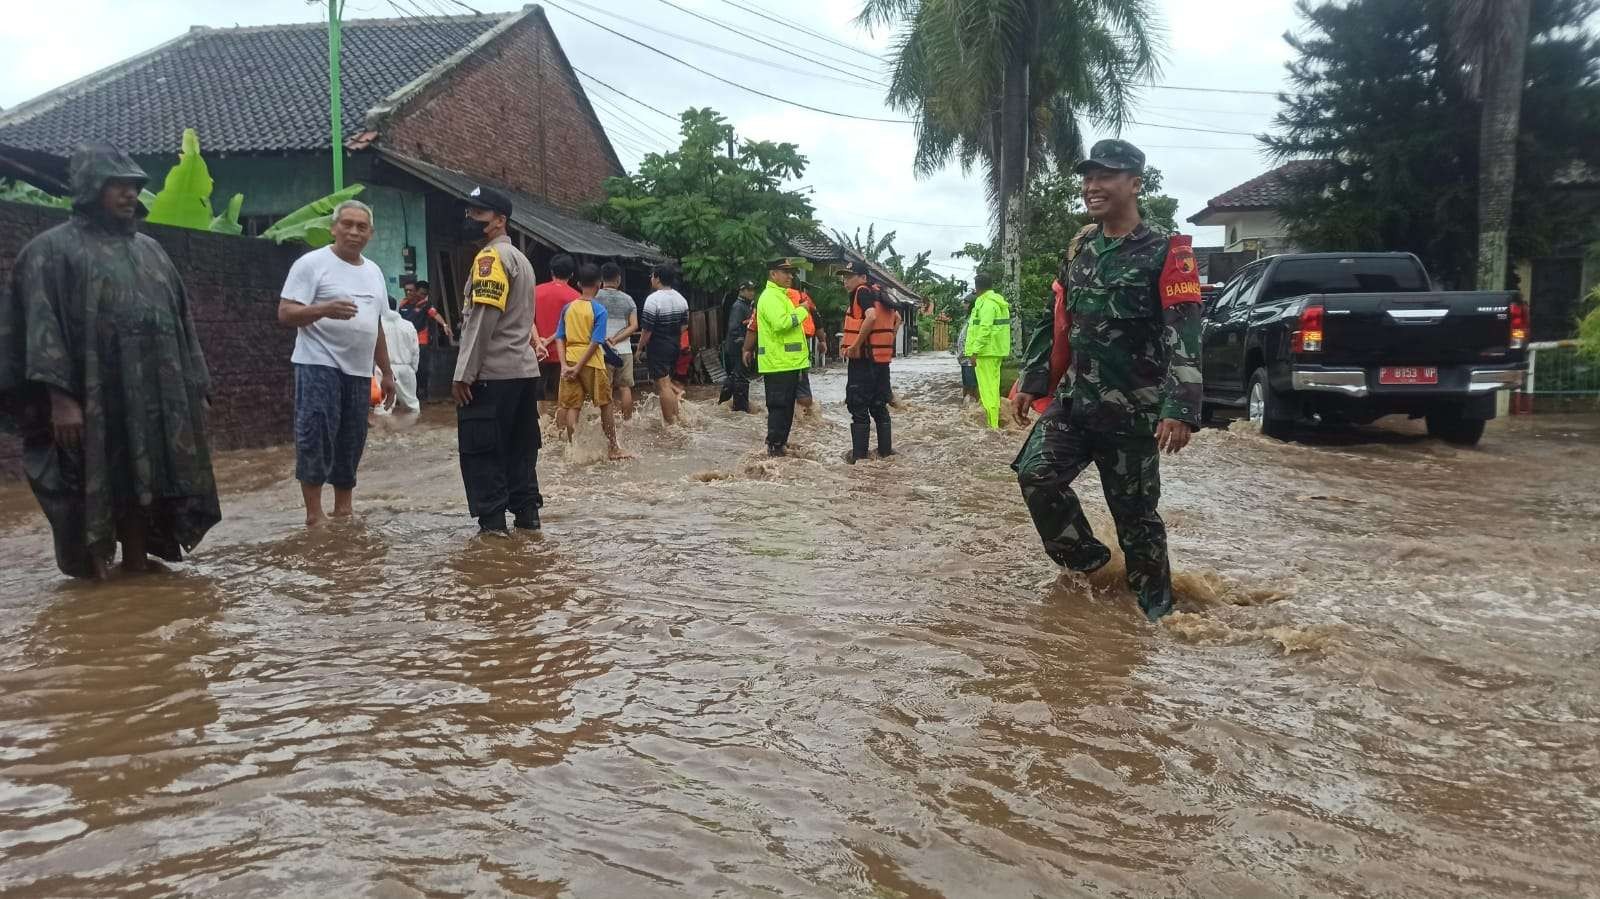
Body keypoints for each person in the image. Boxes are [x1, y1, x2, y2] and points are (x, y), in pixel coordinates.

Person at [0, 142, 222, 578]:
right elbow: (41, 326)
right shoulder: (50, 251)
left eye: (134, 186)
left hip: (155, 394)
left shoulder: (152, 251)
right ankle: (95, 570)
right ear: (88, 187)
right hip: (90, 394)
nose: (128, 195)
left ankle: (137, 565)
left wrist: (196, 383)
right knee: (90, 478)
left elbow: (182, 322)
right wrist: (61, 399)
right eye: (116, 185)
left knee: (145, 476)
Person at [1010, 139, 1204, 621]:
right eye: (1088, 177)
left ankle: (1157, 614)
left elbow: (1186, 332)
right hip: (1075, 401)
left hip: (1134, 410)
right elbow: (1055, 317)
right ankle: (1091, 563)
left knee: (1136, 520)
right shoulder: (1081, 246)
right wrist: (1034, 379)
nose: (1092, 186)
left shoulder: (1167, 252)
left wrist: (1180, 409)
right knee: (1036, 474)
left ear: (1134, 184)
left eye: (1105, 177)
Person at [278, 200, 397, 528]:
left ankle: (344, 509)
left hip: (359, 371)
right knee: (315, 433)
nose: (354, 232)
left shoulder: (373, 272)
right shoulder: (311, 264)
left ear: (370, 234)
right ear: (333, 228)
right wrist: (324, 309)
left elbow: (376, 326)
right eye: (347, 224)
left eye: (361, 227)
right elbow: (286, 313)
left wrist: (386, 372)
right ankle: (314, 515)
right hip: (318, 364)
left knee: (352, 438)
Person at [451, 186, 545, 535]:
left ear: (499, 220)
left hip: (491, 376)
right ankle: (528, 524)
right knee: (521, 451)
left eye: (478, 214)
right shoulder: (521, 259)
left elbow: (482, 317)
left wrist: (464, 373)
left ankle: (493, 535)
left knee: (483, 454)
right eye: (469, 213)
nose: (469, 220)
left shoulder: (490, 260)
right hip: (522, 374)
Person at [554, 263, 628, 459]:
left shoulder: (567, 308)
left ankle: (572, 450)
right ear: (599, 283)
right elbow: (596, 341)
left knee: (572, 406)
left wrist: (564, 365)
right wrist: (579, 366)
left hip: (569, 359)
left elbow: (559, 337)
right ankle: (613, 448)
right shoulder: (599, 310)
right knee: (605, 404)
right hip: (592, 362)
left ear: (578, 283)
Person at [743, 259, 810, 456]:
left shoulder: (781, 296)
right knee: (780, 408)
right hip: (777, 363)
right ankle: (774, 448)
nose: (790, 276)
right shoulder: (771, 297)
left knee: (786, 409)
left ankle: (779, 447)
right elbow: (782, 324)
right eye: (785, 272)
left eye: (791, 273)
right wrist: (803, 310)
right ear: (773, 274)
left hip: (787, 363)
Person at [839, 260, 899, 462]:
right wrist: (886, 342)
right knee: (879, 406)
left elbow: (871, 317)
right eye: (844, 277)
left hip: (864, 361)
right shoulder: (879, 294)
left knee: (858, 407)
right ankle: (885, 453)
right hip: (881, 361)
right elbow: (898, 318)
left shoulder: (862, 292)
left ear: (863, 278)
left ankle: (860, 459)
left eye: (849, 276)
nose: (845, 281)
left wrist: (855, 345)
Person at [637, 262, 690, 425]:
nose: (651, 279)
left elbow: (647, 330)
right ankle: (676, 418)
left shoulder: (653, 300)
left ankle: (671, 424)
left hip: (658, 345)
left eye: (652, 276)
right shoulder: (681, 299)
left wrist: (639, 349)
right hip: (674, 344)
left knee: (663, 386)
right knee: (666, 382)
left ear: (657, 278)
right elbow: (684, 326)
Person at [964, 272, 1011, 429]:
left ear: (977, 288)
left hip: (985, 352)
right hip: (994, 351)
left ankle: (992, 426)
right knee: (992, 388)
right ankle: (994, 422)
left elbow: (985, 329)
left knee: (987, 390)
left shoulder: (987, 304)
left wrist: (975, 351)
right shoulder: (996, 302)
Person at [595, 261, 639, 420]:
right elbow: (634, 326)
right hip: (624, 350)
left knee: (605, 390)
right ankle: (627, 422)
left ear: (601, 279)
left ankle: (607, 424)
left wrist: (608, 340)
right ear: (618, 279)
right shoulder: (628, 299)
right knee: (625, 388)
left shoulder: (594, 298)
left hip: (601, 350)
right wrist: (616, 339)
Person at [399, 279, 451, 403]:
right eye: (421, 293)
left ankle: (423, 393)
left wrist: (444, 324)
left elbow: (435, 314)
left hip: (421, 341)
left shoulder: (425, 304)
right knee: (408, 367)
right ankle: (411, 393)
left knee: (422, 368)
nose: (423, 296)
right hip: (406, 342)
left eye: (425, 294)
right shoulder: (403, 305)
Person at [534, 254, 579, 399]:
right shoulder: (576, 298)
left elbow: (526, 320)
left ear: (551, 271)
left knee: (537, 397)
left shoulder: (535, 291)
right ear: (572, 274)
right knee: (561, 399)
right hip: (563, 355)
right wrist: (550, 340)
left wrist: (540, 342)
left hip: (536, 352)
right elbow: (572, 326)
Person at [786, 284, 823, 413]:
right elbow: (817, 319)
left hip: (775, 354)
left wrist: (747, 348)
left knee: (781, 392)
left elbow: (755, 325)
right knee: (802, 386)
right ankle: (806, 419)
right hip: (799, 346)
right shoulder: (802, 297)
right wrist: (822, 341)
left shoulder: (771, 297)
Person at [380, 298, 422, 413]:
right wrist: (413, 369)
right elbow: (415, 350)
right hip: (406, 369)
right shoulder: (408, 325)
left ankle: (384, 431)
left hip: (384, 369)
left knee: (384, 407)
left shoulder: (379, 325)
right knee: (412, 407)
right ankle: (412, 430)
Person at [719, 280, 755, 412]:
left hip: (740, 347)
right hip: (737, 347)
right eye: (749, 290)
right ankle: (741, 409)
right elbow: (734, 328)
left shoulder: (746, 306)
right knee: (740, 378)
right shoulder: (739, 306)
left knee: (736, 376)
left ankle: (725, 403)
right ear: (742, 291)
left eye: (753, 290)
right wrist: (744, 345)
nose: (752, 293)